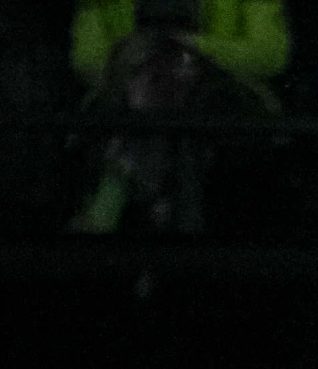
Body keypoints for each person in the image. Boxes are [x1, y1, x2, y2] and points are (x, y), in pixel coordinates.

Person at [70, 1, 289, 234]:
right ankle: (184, 214)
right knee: (162, 71)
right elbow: (86, 60)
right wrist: (143, 56)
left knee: (175, 71)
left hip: (226, 93)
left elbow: (270, 54)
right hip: (124, 89)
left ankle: (112, 197)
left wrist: (194, 47)